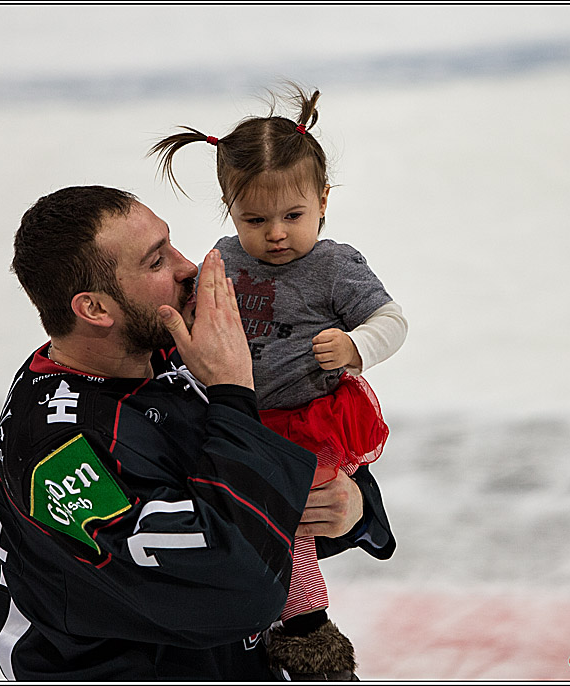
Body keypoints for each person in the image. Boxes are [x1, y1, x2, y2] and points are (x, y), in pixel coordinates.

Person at [0, 185, 397, 680]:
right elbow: (240, 587)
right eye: (156, 261)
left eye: (171, 244)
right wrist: (233, 391)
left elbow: (286, 474)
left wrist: (351, 507)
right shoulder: (60, 455)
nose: (189, 267)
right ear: (94, 309)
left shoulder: (174, 351)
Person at [149, 84, 407, 679]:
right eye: (255, 219)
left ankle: (306, 627)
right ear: (229, 210)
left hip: (306, 418)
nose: (276, 234)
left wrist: (356, 347)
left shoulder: (334, 265)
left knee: (292, 515)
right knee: (242, 514)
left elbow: (392, 321)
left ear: (323, 201)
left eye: (293, 216)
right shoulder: (223, 258)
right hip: (233, 416)